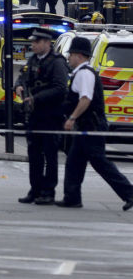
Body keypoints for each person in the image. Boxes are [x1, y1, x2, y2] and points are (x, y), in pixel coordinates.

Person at [57, 36, 133, 210]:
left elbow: (85, 99)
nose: (68, 58)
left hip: (91, 126)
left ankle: (129, 193)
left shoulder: (84, 74)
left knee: (100, 163)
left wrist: (72, 118)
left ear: (79, 56)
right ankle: (72, 197)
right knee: (74, 161)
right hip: (87, 126)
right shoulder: (82, 73)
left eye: (71, 54)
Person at [15, 28, 69, 205]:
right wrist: (19, 86)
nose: (33, 45)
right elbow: (23, 77)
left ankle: (48, 191)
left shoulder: (57, 62)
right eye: (33, 42)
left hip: (51, 115)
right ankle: (35, 189)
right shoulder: (33, 60)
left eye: (36, 42)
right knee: (34, 153)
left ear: (47, 43)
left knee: (50, 154)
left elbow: (60, 88)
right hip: (34, 115)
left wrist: (36, 98)